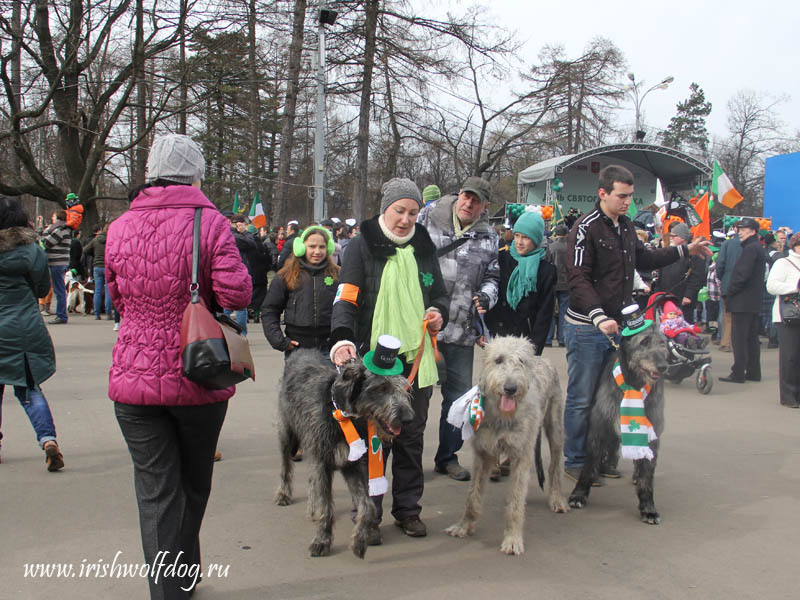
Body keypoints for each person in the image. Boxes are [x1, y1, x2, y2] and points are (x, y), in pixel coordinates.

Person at [106, 133, 251, 598]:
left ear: (151, 171)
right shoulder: (209, 223)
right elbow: (237, 295)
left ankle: (174, 585)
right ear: (196, 174)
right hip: (198, 375)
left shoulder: (119, 224)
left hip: (132, 380)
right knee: (193, 484)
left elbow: (116, 297)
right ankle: (176, 584)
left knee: (155, 494)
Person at [564, 165, 710, 482]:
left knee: (615, 396)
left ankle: (604, 456)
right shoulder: (585, 228)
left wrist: (684, 249)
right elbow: (577, 277)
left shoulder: (627, 227)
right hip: (587, 328)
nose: (627, 202)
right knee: (582, 397)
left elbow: (646, 259)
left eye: (630, 196)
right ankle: (575, 460)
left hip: (620, 329)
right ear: (602, 193)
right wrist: (597, 315)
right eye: (622, 196)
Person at [330, 177, 448, 541]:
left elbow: (440, 294)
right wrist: (341, 340)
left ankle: (408, 511)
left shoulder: (425, 245)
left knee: (411, 439)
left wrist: (436, 312)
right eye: (400, 211)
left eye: (413, 212)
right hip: (373, 362)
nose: (406, 219)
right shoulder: (361, 245)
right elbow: (346, 298)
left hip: (415, 362)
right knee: (371, 440)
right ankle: (368, 514)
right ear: (386, 209)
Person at [416, 176, 499, 482]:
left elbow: (493, 276)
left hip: (463, 331)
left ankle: (447, 458)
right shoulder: (427, 219)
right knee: (417, 395)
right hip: (424, 328)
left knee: (458, 399)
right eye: (466, 196)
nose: (468, 203)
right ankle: (408, 459)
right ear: (458, 195)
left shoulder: (489, 236)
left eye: (476, 201)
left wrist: (486, 297)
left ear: (484, 207)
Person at [0, 195, 64, 471]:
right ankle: (48, 440)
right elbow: (41, 290)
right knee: (29, 389)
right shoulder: (33, 250)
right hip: (25, 327)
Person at [484, 210, 555, 354]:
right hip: (497, 337)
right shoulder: (501, 259)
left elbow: (544, 314)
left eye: (525, 238)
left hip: (524, 341)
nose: (519, 242)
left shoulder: (546, 271)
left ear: (535, 240)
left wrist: (535, 350)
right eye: (517, 236)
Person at [262, 225, 339, 355]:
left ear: (329, 248)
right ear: (301, 247)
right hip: (298, 350)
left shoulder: (338, 275)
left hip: (329, 349)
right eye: (312, 246)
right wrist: (279, 341)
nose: (317, 251)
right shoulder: (286, 275)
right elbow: (270, 309)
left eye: (322, 247)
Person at [719, 218, 766, 384]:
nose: (739, 232)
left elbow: (742, 275)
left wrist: (730, 291)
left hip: (742, 300)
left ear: (752, 231)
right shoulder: (756, 247)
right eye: (739, 229)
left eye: (743, 229)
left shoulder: (750, 249)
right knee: (751, 337)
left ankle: (738, 372)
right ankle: (753, 371)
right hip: (752, 300)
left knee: (739, 338)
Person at [766, 232, 800, 407]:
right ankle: (788, 396)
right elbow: (771, 286)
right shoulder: (783, 263)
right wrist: (795, 287)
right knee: (790, 356)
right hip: (788, 315)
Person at [652, 222, 706, 323]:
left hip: (682, 298)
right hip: (666, 295)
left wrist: (689, 295)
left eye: (674, 236)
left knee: (683, 326)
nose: (671, 238)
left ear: (683, 237)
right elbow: (662, 274)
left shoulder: (694, 254)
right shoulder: (669, 251)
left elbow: (696, 277)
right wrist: (657, 293)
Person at [40, 210, 73, 324]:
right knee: (60, 289)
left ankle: (61, 315)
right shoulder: (65, 230)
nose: (52, 218)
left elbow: (46, 243)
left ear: (58, 217)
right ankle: (61, 314)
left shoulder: (60, 230)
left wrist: (45, 232)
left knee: (59, 290)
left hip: (56, 263)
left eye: (53, 216)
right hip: (60, 262)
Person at [716, 225, 742, 352]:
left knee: (726, 314)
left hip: (727, 283)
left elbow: (719, 263)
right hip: (743, 285)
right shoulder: (751, 245)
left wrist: (722, 278)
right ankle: (734, 342)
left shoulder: (727, 244)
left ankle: (725, 342)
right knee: (739, 316)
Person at [545, 223, 570, 347]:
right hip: (567, 283)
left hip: (552, 281)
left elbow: (546, 263)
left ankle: (548, 339)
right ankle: (562, 339)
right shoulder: (571, 247)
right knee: (564, 312)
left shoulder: (551, 247)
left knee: (549, 310)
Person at [85, 223, 114, 320]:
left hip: (97, 266)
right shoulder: (111, 240)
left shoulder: (95, 240)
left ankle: (97, 313)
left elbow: (85, 250)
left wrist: (94, 254)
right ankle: (108, 313)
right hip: (107, 266)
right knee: (108, 290)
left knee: (97, 290)